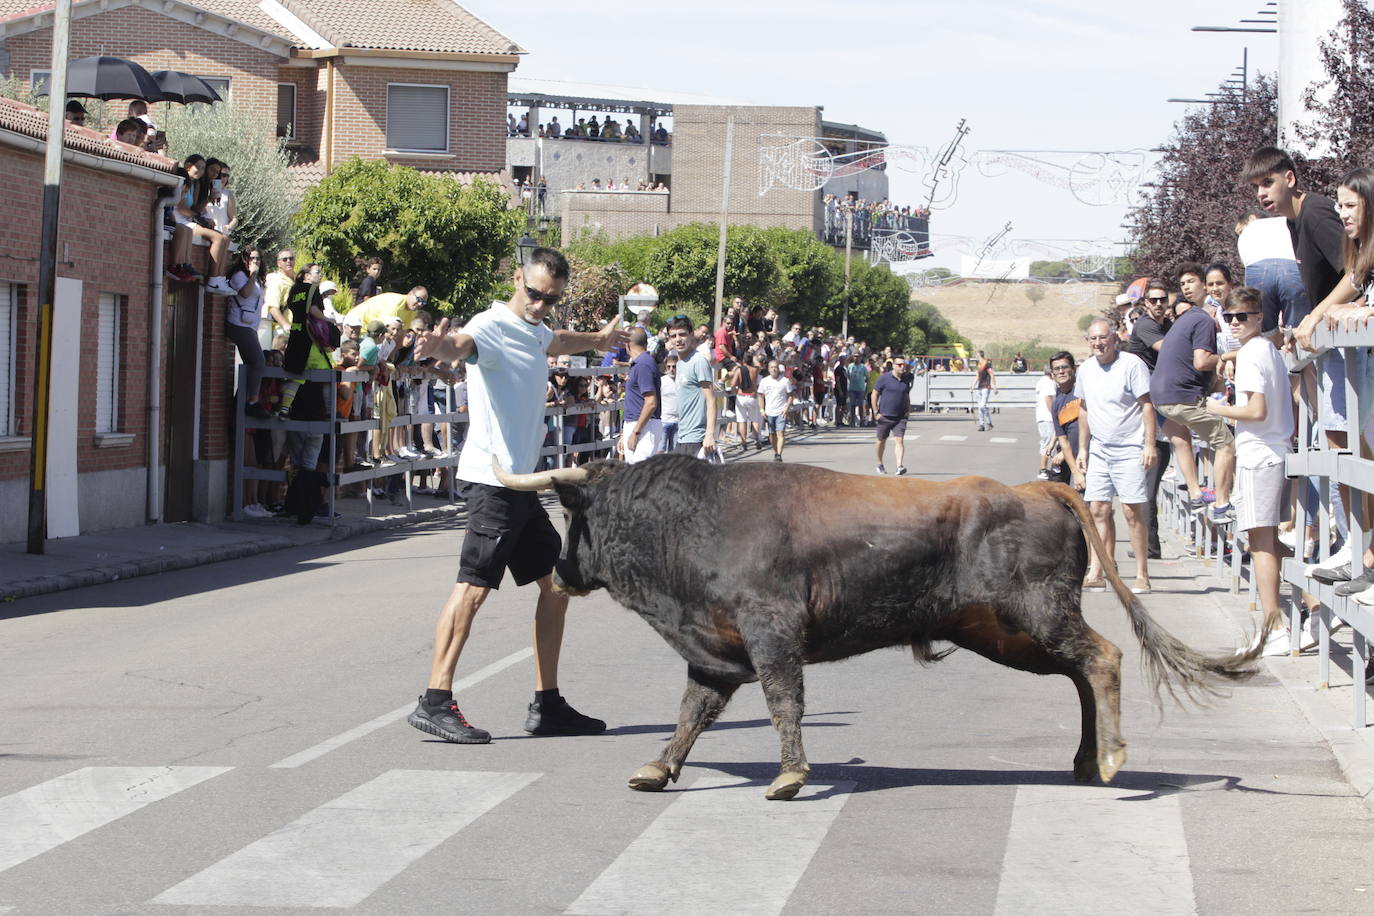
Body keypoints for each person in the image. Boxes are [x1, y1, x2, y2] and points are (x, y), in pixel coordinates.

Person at [405, 247, 626, 743]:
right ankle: (435, 700)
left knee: (557, 584)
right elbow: (460, 346)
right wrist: (439, 348)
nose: (540, 306)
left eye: (550, 299)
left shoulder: (538, 327)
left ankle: (547, 704)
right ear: (517, 279)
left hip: (523, 486)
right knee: (473, 588)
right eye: (534, 294)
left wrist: (600, 338)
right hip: (493, 481)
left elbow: (554, 340)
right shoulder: (490, 325)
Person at [1204, 286, 1294, 654]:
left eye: (1244, 316)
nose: (1236, 322)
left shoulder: (1254, 355)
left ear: (1259, 317)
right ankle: (1312, 604)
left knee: (1260, 544)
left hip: (1260, 454)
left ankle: (1274, 628)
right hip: (1270, 451)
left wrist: (1216, 409)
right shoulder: (1262, 349)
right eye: (1230, 317)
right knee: (1268, 542)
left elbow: (1256, 411)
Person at [1150, 262, 1235, 526]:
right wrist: (1231, 356)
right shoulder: (1201, 319)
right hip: (1180, 396)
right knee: (1226, 444)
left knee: (1182, 439)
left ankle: (1196, 495)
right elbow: (1201, 361)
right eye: (1184, 283)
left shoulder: (1188, 318)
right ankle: (1222, 504)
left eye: (1191, 282)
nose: (1187, 287)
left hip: (1161, 398)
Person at [1075, 318, 1156, 594]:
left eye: (1103, 338)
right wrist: (1083, 449)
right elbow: (1083, 409)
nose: (1098, 343)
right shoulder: (1085, 369)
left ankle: (1142, 574)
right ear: (1088, 342)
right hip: (1099, 448)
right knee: (1097, 509)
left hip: (1130, 448)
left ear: (1114, 339)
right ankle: (1097, 569)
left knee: (1132, 512)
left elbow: (1147, 406)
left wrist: (1149, 444)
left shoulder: (1132, 365)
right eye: (1093, 339)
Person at [224, 246, 270, 419]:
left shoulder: (257, 279)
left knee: (252, 366)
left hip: (249, 325)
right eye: (252, 258)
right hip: (238, 324)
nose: (255, 262)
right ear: (244, 260)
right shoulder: (239, 276)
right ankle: (252, 401)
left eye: (258, 258)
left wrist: (255, 275)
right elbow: (244, 293)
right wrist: (252, 274)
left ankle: (239, 405)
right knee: (259, 361)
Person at [665, 315, 718, 456]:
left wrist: (710, 434)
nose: (678, 339)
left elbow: (711, 399)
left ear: (691, 335)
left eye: (682, 334)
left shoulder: (699, 361)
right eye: (673, 336)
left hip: (697, 439)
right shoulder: (680, 363)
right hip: (682, 437)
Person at [617, 327, 662, 464]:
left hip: (644, 428)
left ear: (627, 345)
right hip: (639, 425)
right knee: (634, 476)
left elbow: (651, 403)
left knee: (640, 477)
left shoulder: (643, 364)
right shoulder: (639, 364)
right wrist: (626, 433)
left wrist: (635, 432)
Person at [872, 356, 913, 475]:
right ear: (894, 366)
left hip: (900, 416)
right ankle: (879, 463)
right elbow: (874, 395)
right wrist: (876, 412)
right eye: (899, 365)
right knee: (881, 441)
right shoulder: (884, 378)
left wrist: (907, 410)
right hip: (884, 415)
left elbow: (906, 395)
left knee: (899, 440)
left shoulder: (906, 379)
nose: (902, 367)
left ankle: (899, 466)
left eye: (903, 365)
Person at [1048, 352, 1084, 489]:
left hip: (1091, 458)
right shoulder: (1057, 403)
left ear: (1073, 369)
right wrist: (1075, 472)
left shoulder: (1083, 392)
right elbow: (1062, 438)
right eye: (1057, 369)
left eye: (1065, 367)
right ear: (1052, 374)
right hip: (1073, 463)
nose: (1061, 372)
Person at [757, 359, 793, 462]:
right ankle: (775, 452)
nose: (774, 369)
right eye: (772, 367)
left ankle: (779, 455)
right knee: (772, 435)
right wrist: (762, 409)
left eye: (775, 367)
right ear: (768, 369)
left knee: (780, 433)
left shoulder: (785, 381)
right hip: (769, 412)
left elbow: (790, 396)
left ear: (778, 369)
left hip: (781, 411)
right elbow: (760, 395)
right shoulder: (764, 381)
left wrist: (786, 408)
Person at [346, 286, 428, 328]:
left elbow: (402, 333)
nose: (420, 304)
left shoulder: (413, 312)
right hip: (356, 323)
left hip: (372, 329)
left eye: (423, 302)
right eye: (418, 299)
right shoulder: (396, 304)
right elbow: (384, 328)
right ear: (410, 293)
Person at [262, 250, 296, 350]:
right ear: (278, 263)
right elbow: (272, 307)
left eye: (291, 258)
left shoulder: (298, 280)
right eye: (284, 259)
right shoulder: (276, 281)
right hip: (283, 331)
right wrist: (285, 325)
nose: (288, 261)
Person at [1034, 365, 1057, 480]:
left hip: (1042, 417)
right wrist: (1054, 414)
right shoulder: (1049, 382)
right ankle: (1043, 469)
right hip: (1048, 417)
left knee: (1048, 442)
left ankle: (1052, 468)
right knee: (1048, 443)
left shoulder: (1042, 381)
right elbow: (1048, 398)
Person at [971, 351, 997, 431]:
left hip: (986, 387)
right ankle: (981, 425)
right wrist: (972, 386)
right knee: (979, 408)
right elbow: (977, 376)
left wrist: (994, 387)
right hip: (979, 387)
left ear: (979, 355)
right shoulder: (978, 365)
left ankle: (989, 422)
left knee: (983, 406)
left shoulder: (987, 363)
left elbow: (992, 374)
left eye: (976, 355)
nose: (976, 356)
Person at [659, 353, 680, 452]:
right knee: (660, 449)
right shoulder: (661, 381)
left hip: (678, 421)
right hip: (664, 420)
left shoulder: (683, 381)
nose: (671, 369)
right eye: (669, 367)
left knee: (675, 452)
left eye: (674, 366)